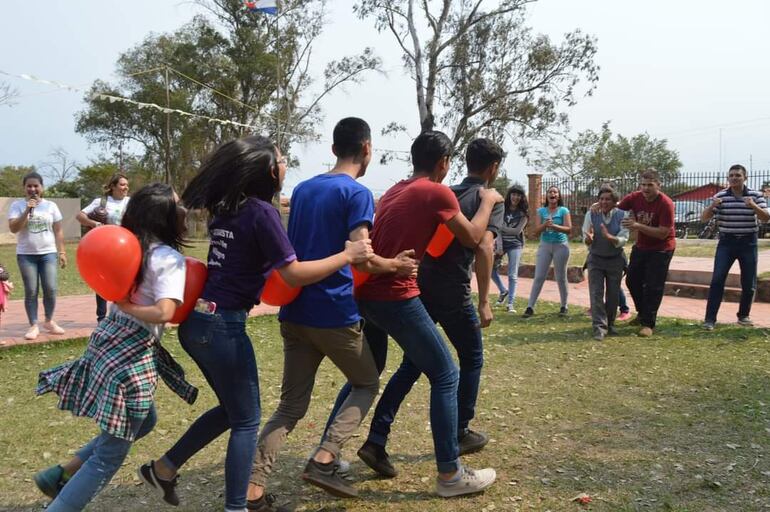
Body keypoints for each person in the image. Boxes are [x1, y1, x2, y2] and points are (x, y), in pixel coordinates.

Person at [138, 135, 373, 512]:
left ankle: (163, 469)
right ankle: (239, 506)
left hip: (198, 323)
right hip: (223, 327)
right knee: (247, 421)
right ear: (268, 171)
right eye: (281, 159)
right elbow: (293, 274)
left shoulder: (225, 209)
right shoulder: (262, 213)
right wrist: (347, 255)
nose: (285, 164)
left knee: (232, 411)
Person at [246, 118, 417, 505]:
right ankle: (325, 457)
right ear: (367, 149)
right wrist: (396, 265)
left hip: (295, 310)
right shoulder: (357, 193)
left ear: (334, 148)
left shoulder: (303, 189)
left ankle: (253, 491)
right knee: (367, 382)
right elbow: (362, 257)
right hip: (334, 313)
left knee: (289, 407)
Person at [349, 131, 501, 497]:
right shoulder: (454, 193)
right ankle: (455, 452)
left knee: (412, 365)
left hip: (401, 288)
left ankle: (373, 439)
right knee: (459, 366)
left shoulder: (397, 190)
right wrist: (489, 202)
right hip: (424, 292)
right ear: (444, 163)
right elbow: (479, 242)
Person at [33, 183, 196, 512]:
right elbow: (164, 312)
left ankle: (60, 474)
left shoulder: (129, 247)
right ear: (163, 216)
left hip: (107, 341)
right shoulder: (168, 258)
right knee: (109, 456)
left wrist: (123, 305)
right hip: (130, 355)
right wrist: (131, 306)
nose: (185, 211)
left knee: (145, 420)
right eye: (178, 205)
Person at [701, 164, 769, 330]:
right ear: (728, 178)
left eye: (738, 175)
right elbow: (704, 218)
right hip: (727, 242)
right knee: (717, 279)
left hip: (748, 242)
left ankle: (743, 316)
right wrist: (712, 206)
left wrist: (753, 206)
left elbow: (766, 218)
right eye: (731, 175)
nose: (734, 178)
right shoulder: (720, 196)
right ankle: (710, 319)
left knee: (749, 281)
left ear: (745, 178)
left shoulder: (755, 195)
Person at [8, 172, 67, 340]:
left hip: (48, 253)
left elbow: (58, 230)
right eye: (29, 186)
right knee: (31, 290)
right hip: (26, 255)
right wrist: (28, 209)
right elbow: (14, 228)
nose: (32, 189)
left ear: (42, 187)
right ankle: (33, 325)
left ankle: (49, 321)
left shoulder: (51, 206)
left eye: (36, 186)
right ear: (24, 188)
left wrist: (62, 251)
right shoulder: (17, 205)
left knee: (50, 288)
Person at [618, 168, 676, 337]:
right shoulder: (635, 197)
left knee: (653, 286)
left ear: (659, 185)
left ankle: (648, 324)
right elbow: (617, 207)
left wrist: (637, 226)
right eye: (643, 184)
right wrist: (599, 205)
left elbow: (663, 233)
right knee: (632, 280)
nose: (645, 188)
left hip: (662, 249)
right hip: (642, 246)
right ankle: (643, 314)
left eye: (650, 185)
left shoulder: (666, 204)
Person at [76, 173, 130, 322]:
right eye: (122, 184)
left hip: (125, 248)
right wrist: (94, 223)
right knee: (103, 281)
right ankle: (101, 317)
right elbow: (80, 216)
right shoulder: (101, 202)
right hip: (105, 248)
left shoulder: (131, 202)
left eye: (127, 185)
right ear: (113, 186)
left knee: (123, 280)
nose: (126, 187)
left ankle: (121, 314)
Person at [582, 186, 629, 341]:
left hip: (615, 259)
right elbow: (586, 234)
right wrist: (588, 239)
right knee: (596, 293)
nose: (604, 202)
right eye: (601, 199)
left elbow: (624, 238)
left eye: (608, 199)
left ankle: (611, 324)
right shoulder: (591, 214)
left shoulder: (622, 215)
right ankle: (599, 327)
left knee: (613, 293)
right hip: (596, 258)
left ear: (615, 201)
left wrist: (610, 237)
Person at [522, 186, 571, 318]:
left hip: (561, 246)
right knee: (539, 276)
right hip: (545, 246)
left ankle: (564, 305)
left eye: (555, 192)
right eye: (550, 192)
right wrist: (545, 225)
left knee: (561, 277)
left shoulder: (563, 210)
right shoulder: (541, 211)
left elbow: (569, 229)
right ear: (547, 196)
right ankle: (530, 307)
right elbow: (535, 232)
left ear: (558, 196)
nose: (552, 194)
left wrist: (555, 226)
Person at [493, 185, 529, 313]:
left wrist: (502, 227)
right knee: (490, 269)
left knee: (512, 274)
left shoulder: (523, 214)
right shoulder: (502, 209)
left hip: (515, 245)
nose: (516, 197)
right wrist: (499, 246)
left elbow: (516, 231)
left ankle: (510, 303)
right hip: (501, 243)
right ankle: (503, 291)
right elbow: (497, 230)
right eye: (514, 194)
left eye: (518, 195)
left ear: (522, 197)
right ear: (510, 195)